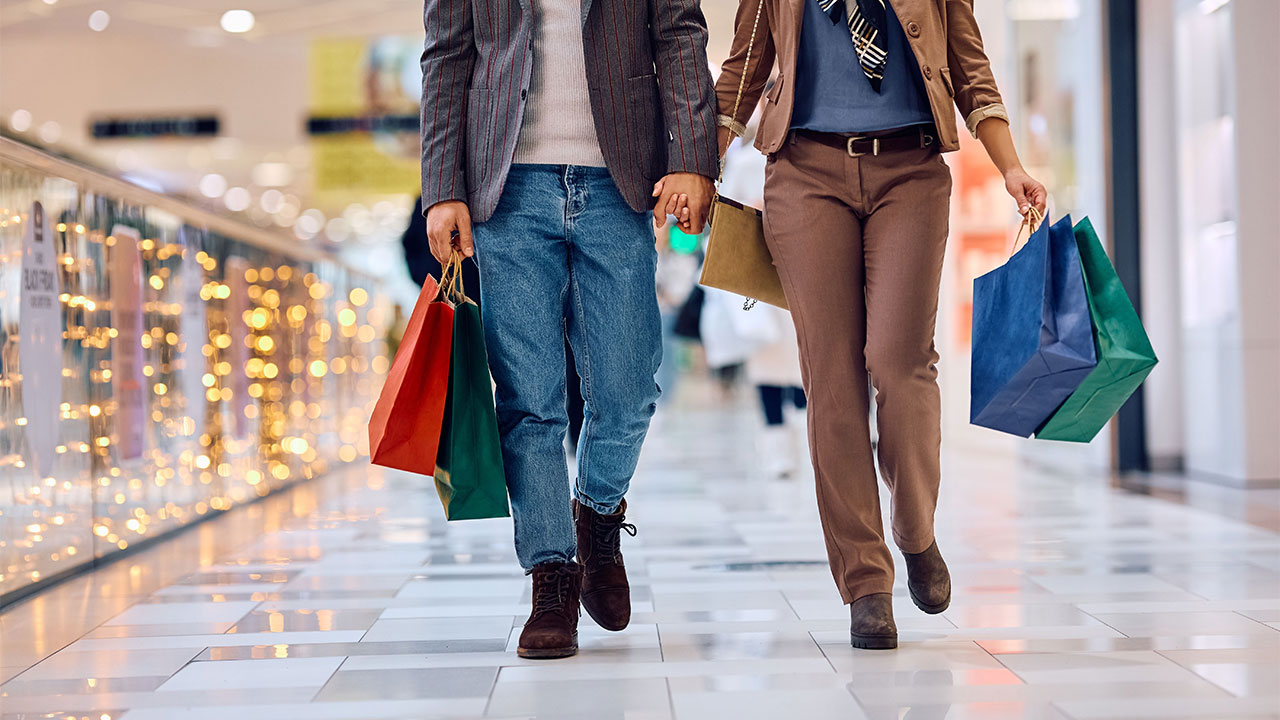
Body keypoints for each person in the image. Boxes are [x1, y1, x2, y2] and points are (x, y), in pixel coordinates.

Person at [713, 0, 1047, 649]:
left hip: (911, 170)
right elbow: (743, 70)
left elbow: (970, 68)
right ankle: (865, 582)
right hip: (803, 173)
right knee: (831, 379)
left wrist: (1010, 165)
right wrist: (700, 168)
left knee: (900, 360)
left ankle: (915, 530)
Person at [419, 0, 718, 659]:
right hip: (506, 187)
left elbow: (679, 35)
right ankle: (550, 573)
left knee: (628, 389)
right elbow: (446, 57)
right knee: (530, 403)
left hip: (621, 181)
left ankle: (598, 514)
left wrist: (695, 156)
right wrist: (441, 186)